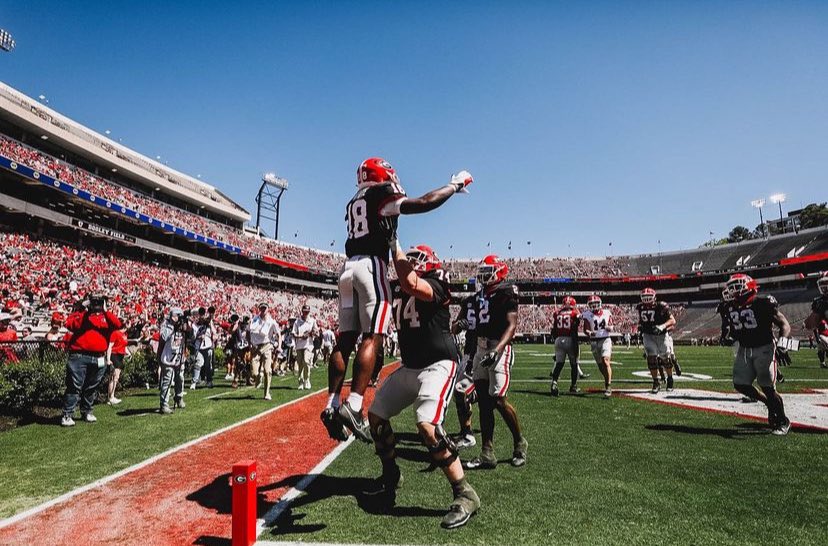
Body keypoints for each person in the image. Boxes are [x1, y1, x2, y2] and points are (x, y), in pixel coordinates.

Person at [323, 157, 473, 442]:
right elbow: (425, 202)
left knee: (345, 339)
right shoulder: (381, 194)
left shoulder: (354, 200)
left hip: (347, 268)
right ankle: (354, 405)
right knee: (373, 336)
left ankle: (330, 404)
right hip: (371, 266)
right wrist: (454, 186)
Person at [366, 241, 480, 529]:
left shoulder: (437, 279)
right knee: (376, 415)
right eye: (410, 258)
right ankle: (391, 474)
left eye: (417, 258)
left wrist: (393, 246)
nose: (411, 262)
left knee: (427, 425)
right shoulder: (398, 285)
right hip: (411, 366)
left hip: (439, 364)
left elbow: (414, 285)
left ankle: (464, 493)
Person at [460, 255, 527, 470]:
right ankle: (487, 451)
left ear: (499, 272)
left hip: (499, 347)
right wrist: (461, 324)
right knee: (485, 403)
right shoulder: (479, 295)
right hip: (480, 347)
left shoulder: (507, 292)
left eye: (488, 271)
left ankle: (519, 442)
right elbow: (473, 321)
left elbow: (511, 326)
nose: (483, 275)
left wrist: (497, 350)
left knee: (498, 399)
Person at [723, 274, 792, 435]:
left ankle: (783, 420)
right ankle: (767, 403)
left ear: (749, 285)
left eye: (737, 286)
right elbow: (735, 329)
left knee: (768, 387)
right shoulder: (729, 307)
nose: (733, 290)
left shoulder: (763, 302)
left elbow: (784, 324)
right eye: (731, 286)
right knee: (740, 384)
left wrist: (783, 345)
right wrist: (731, 337)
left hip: (764, 348)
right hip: (744, 349)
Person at [61, 294, 122, 427]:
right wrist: (84, 309)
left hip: (99, 357)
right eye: (94, 302)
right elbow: (70, 325)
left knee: (92, 386)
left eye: (99, 302)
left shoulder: (105, 317)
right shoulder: (81, 315)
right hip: (79, 355)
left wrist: (105, 311)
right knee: (74, 385)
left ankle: (87, 411)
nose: (96, 305)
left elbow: (117, 324)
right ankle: (67, 414)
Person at [636, 288, 678, 394]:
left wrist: (662, 326)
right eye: (644, 298)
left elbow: (673, 320)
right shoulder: (640, 307)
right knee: (651, 358)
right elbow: (642, 320)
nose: (646, 300)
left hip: (661, 335)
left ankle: (670, 379)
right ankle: (655, 382)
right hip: (648, 335)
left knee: (665, 359)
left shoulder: (661, 306)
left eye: (649, 298)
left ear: (654, 297)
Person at [580, 295, 614, 397]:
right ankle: (607, 379)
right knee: (600, 366)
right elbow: (585, 329)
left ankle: (608, 385)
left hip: (605, 339)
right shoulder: (587, 314)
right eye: (592, 304)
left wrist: (610, 328)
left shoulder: (607, 312)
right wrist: (590, 333)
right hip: (594, 341)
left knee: (605, 361)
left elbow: (611, 324)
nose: (594, 306)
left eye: (595, 304)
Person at [550, 296, 581, 395]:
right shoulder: (574, 313)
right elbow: (577, 324)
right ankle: (573, 386)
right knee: (574, 364)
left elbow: (553, 330)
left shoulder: (557, 313)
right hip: (570, 339)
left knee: (559, 363)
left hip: (558, 339)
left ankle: (554, 382)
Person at [159, 308, 187, 414]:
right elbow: (163, 337)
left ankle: (179, 397)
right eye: (176, 315)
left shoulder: (182, 327)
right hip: (168, 358)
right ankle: (164, 404)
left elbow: (191, 334)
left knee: (180, 378)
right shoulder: (166, 325)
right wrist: (172, 325)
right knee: (167, 381)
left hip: (179, 358)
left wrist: (185, 323)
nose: (178, 318)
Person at [249, 302, 280, 400]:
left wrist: (279, 346)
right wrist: (250, 343)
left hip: (266, 346)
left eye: (264, 308)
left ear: (268, 309)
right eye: (261, 308)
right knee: (254, 372)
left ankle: (266, 393)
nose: (263, 310)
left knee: (267, 371)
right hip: (256, 347)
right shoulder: (254, 319)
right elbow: (248, 331)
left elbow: (278, 334)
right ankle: (258, 377)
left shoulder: (272, 322)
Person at [804, 271, 828, 369]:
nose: (824, 288)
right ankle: (822, 362)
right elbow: (815, 322)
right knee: (821, 348)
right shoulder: (818, 301)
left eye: (826, 284)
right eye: (822, 284)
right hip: (824, 329)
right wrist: (816, 334)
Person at [292, 304, 317, 390]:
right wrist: (301, 336)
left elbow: (316, 332)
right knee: (300, 365)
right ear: (302, 311)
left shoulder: (312, 321)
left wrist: (311, 333)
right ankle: (300, 382)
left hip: (308, 345)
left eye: (307, 312)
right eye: (304, 312)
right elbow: (293, 333)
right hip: (299, 345)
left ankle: (307, 379)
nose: (306, 313)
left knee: (306, 361)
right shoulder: (297, 321)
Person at [106, 324, 128, 405]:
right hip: (114, 355)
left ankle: (112, 396)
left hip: (121, 355)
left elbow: (124, 346)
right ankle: (111, 397)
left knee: (116, 377)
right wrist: (108, 359)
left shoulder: (125, 334)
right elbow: (110, 346)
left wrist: (128, 353)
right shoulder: (115, 333)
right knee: (114, 376)